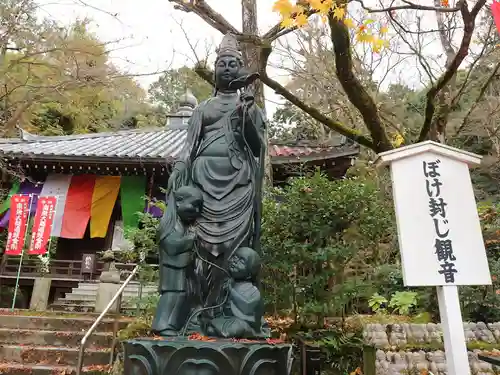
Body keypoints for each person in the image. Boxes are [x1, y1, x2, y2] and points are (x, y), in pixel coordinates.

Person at [158, 33, 267, 315]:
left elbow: (256, 148)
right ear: (215, 71)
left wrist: (246, 116)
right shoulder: (203, 109)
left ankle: (229, 309)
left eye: (233, 63)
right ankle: (200, 310)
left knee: (234, 245)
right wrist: (180, 170)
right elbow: (189, 146)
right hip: (203, 182)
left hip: (238, 183)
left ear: (241, 69)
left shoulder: (249, 107)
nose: (228, 68)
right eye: (222, 64)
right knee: (201, 246)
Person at [153, 185, 203, 336]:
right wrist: (191, 238)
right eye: (193, 205)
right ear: (179, 202)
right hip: (171, 266)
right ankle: (161, 324)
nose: (196, 211)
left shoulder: (183, 225)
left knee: (182, 295)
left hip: (182, 267)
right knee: (172, 294)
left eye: (198, 207)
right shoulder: (169, 224)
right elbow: (172, 246)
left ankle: (174, 325)